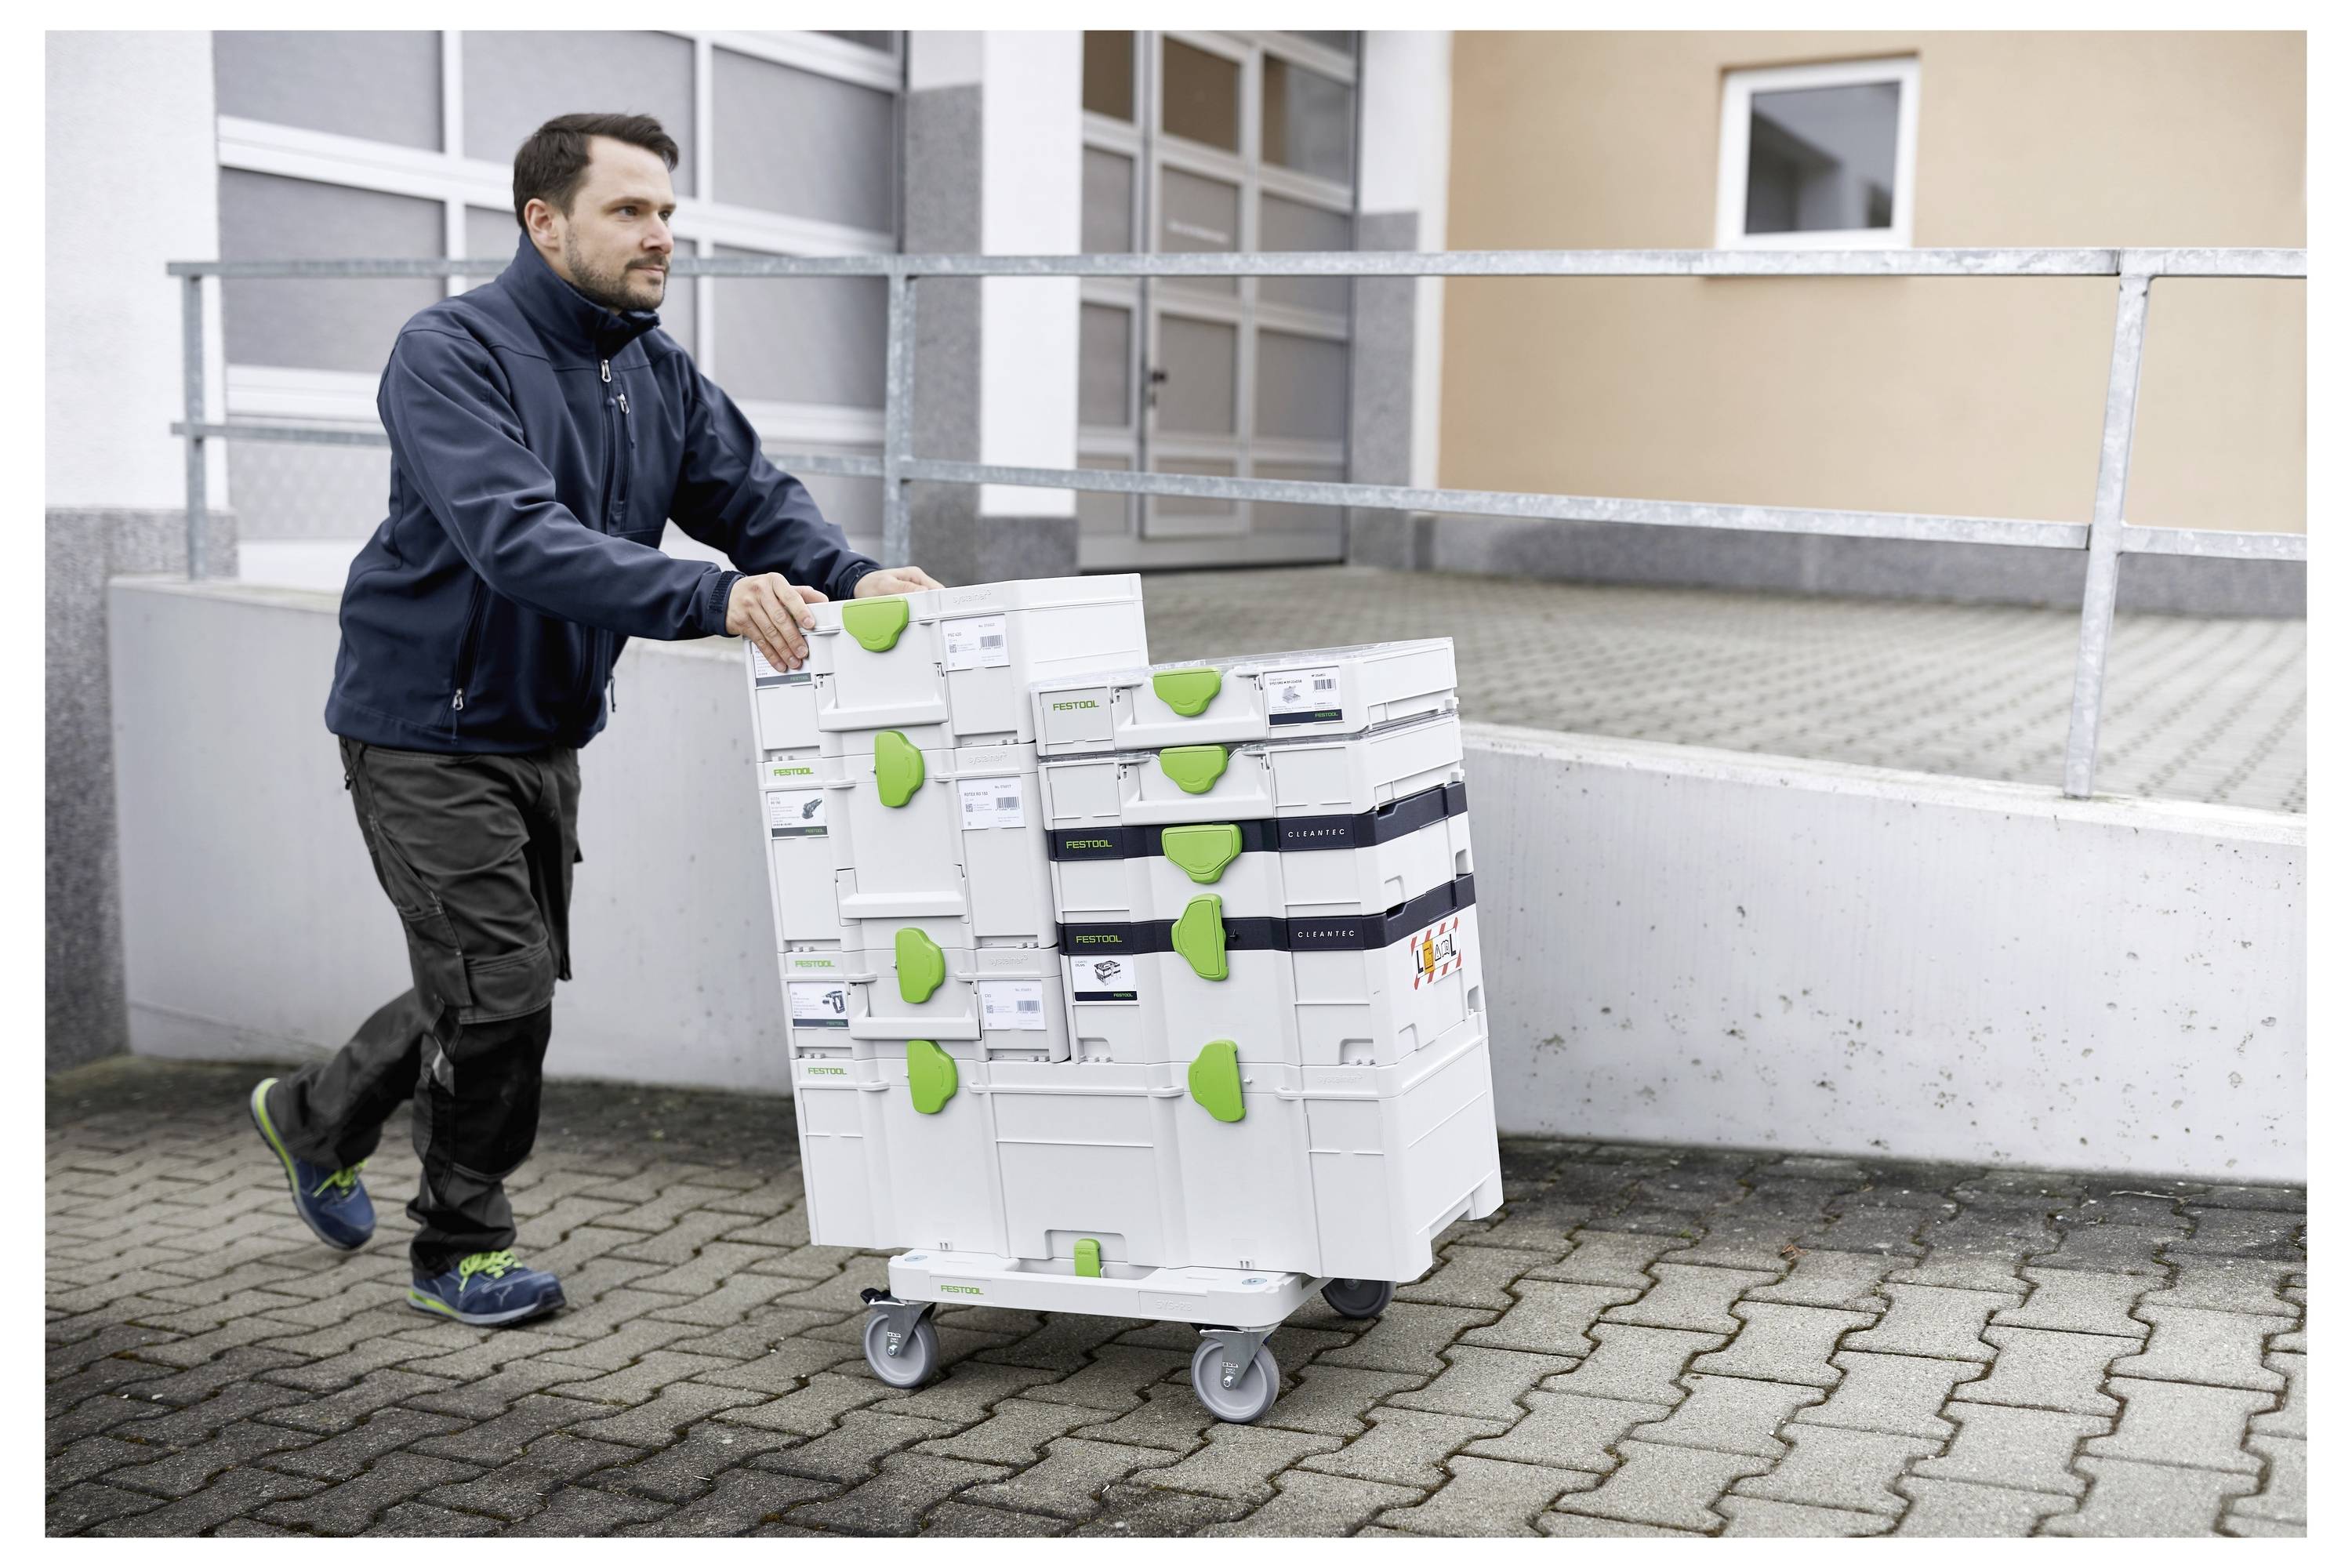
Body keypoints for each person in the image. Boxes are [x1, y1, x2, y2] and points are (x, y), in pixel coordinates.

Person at [245, 112, 941, 1327]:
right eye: (629, 210)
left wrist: (850, 575)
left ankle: (314, 1119)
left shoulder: (652, 369)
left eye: (667, 212)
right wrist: (713, 599)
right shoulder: (449, 351)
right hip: (423, 727)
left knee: (487, 979)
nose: (660, 234)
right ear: (545, 220)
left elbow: (750, 499)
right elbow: (517, 538)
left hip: (546, 728)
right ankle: (460, 1246)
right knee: (502, 986)